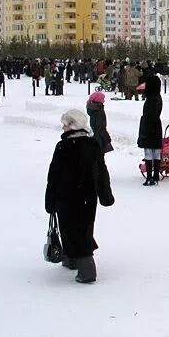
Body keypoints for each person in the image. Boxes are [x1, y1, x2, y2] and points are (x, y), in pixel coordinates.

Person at [45, 109, 114, 283]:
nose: (63, 127)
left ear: (72, 125)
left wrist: (50, 200)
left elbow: (53, 176)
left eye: (65, 124)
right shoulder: (92, 145)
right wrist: (105, 194)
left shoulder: (64, 147)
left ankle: (86, 269)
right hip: (87, 198)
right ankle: (71, 258)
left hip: (66, 197)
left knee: (71, 228)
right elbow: (102, 172)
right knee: (82, 228)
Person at [138, 75, 163, 186]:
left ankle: (149, 177)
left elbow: (148, 114)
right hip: (157, 125)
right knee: (156, 152)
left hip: (149, 126)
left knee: (148, 151)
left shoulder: (151, 99)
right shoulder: (158, 97)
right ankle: (155, 176)